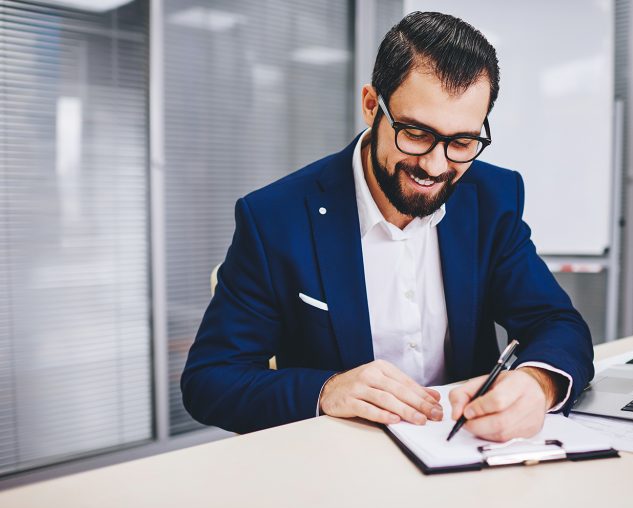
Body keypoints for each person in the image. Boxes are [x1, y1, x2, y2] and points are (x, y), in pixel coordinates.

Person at [181, 11, 593, 443]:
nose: (435, 167)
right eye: (416, 134)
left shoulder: (492, 198)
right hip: (341, 464)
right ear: (372, 106)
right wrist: (326, 391)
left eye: (462, 142)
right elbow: (211, 381)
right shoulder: (275, 218)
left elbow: (556, 322)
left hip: (465, 454)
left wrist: (537, 384)